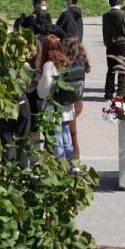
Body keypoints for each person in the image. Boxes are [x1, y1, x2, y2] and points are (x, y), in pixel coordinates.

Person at [35, 35, 77, 167]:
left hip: (53, 110)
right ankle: (72, 166)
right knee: (66, 138)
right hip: (67, 108)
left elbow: (44, 90)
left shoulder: (48, 65)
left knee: (56, 139)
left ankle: (61, 167)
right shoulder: (66, 61)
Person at [102, 0, 125, 99]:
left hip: (110, 45)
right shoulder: (124, 14)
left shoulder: (105, 15)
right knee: (122, 69)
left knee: (111, 69)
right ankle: (120, 93)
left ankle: (108, 92)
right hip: (122, 45)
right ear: (121, 3)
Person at [62, 35, 90, 159]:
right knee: (71, 133)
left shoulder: (73, 65)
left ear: (70, 48)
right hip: (77, 101)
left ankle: (75, 163)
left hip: (73, 102)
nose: (61, 48)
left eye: (64, 46)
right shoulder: (79, 61)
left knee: (72, 134)